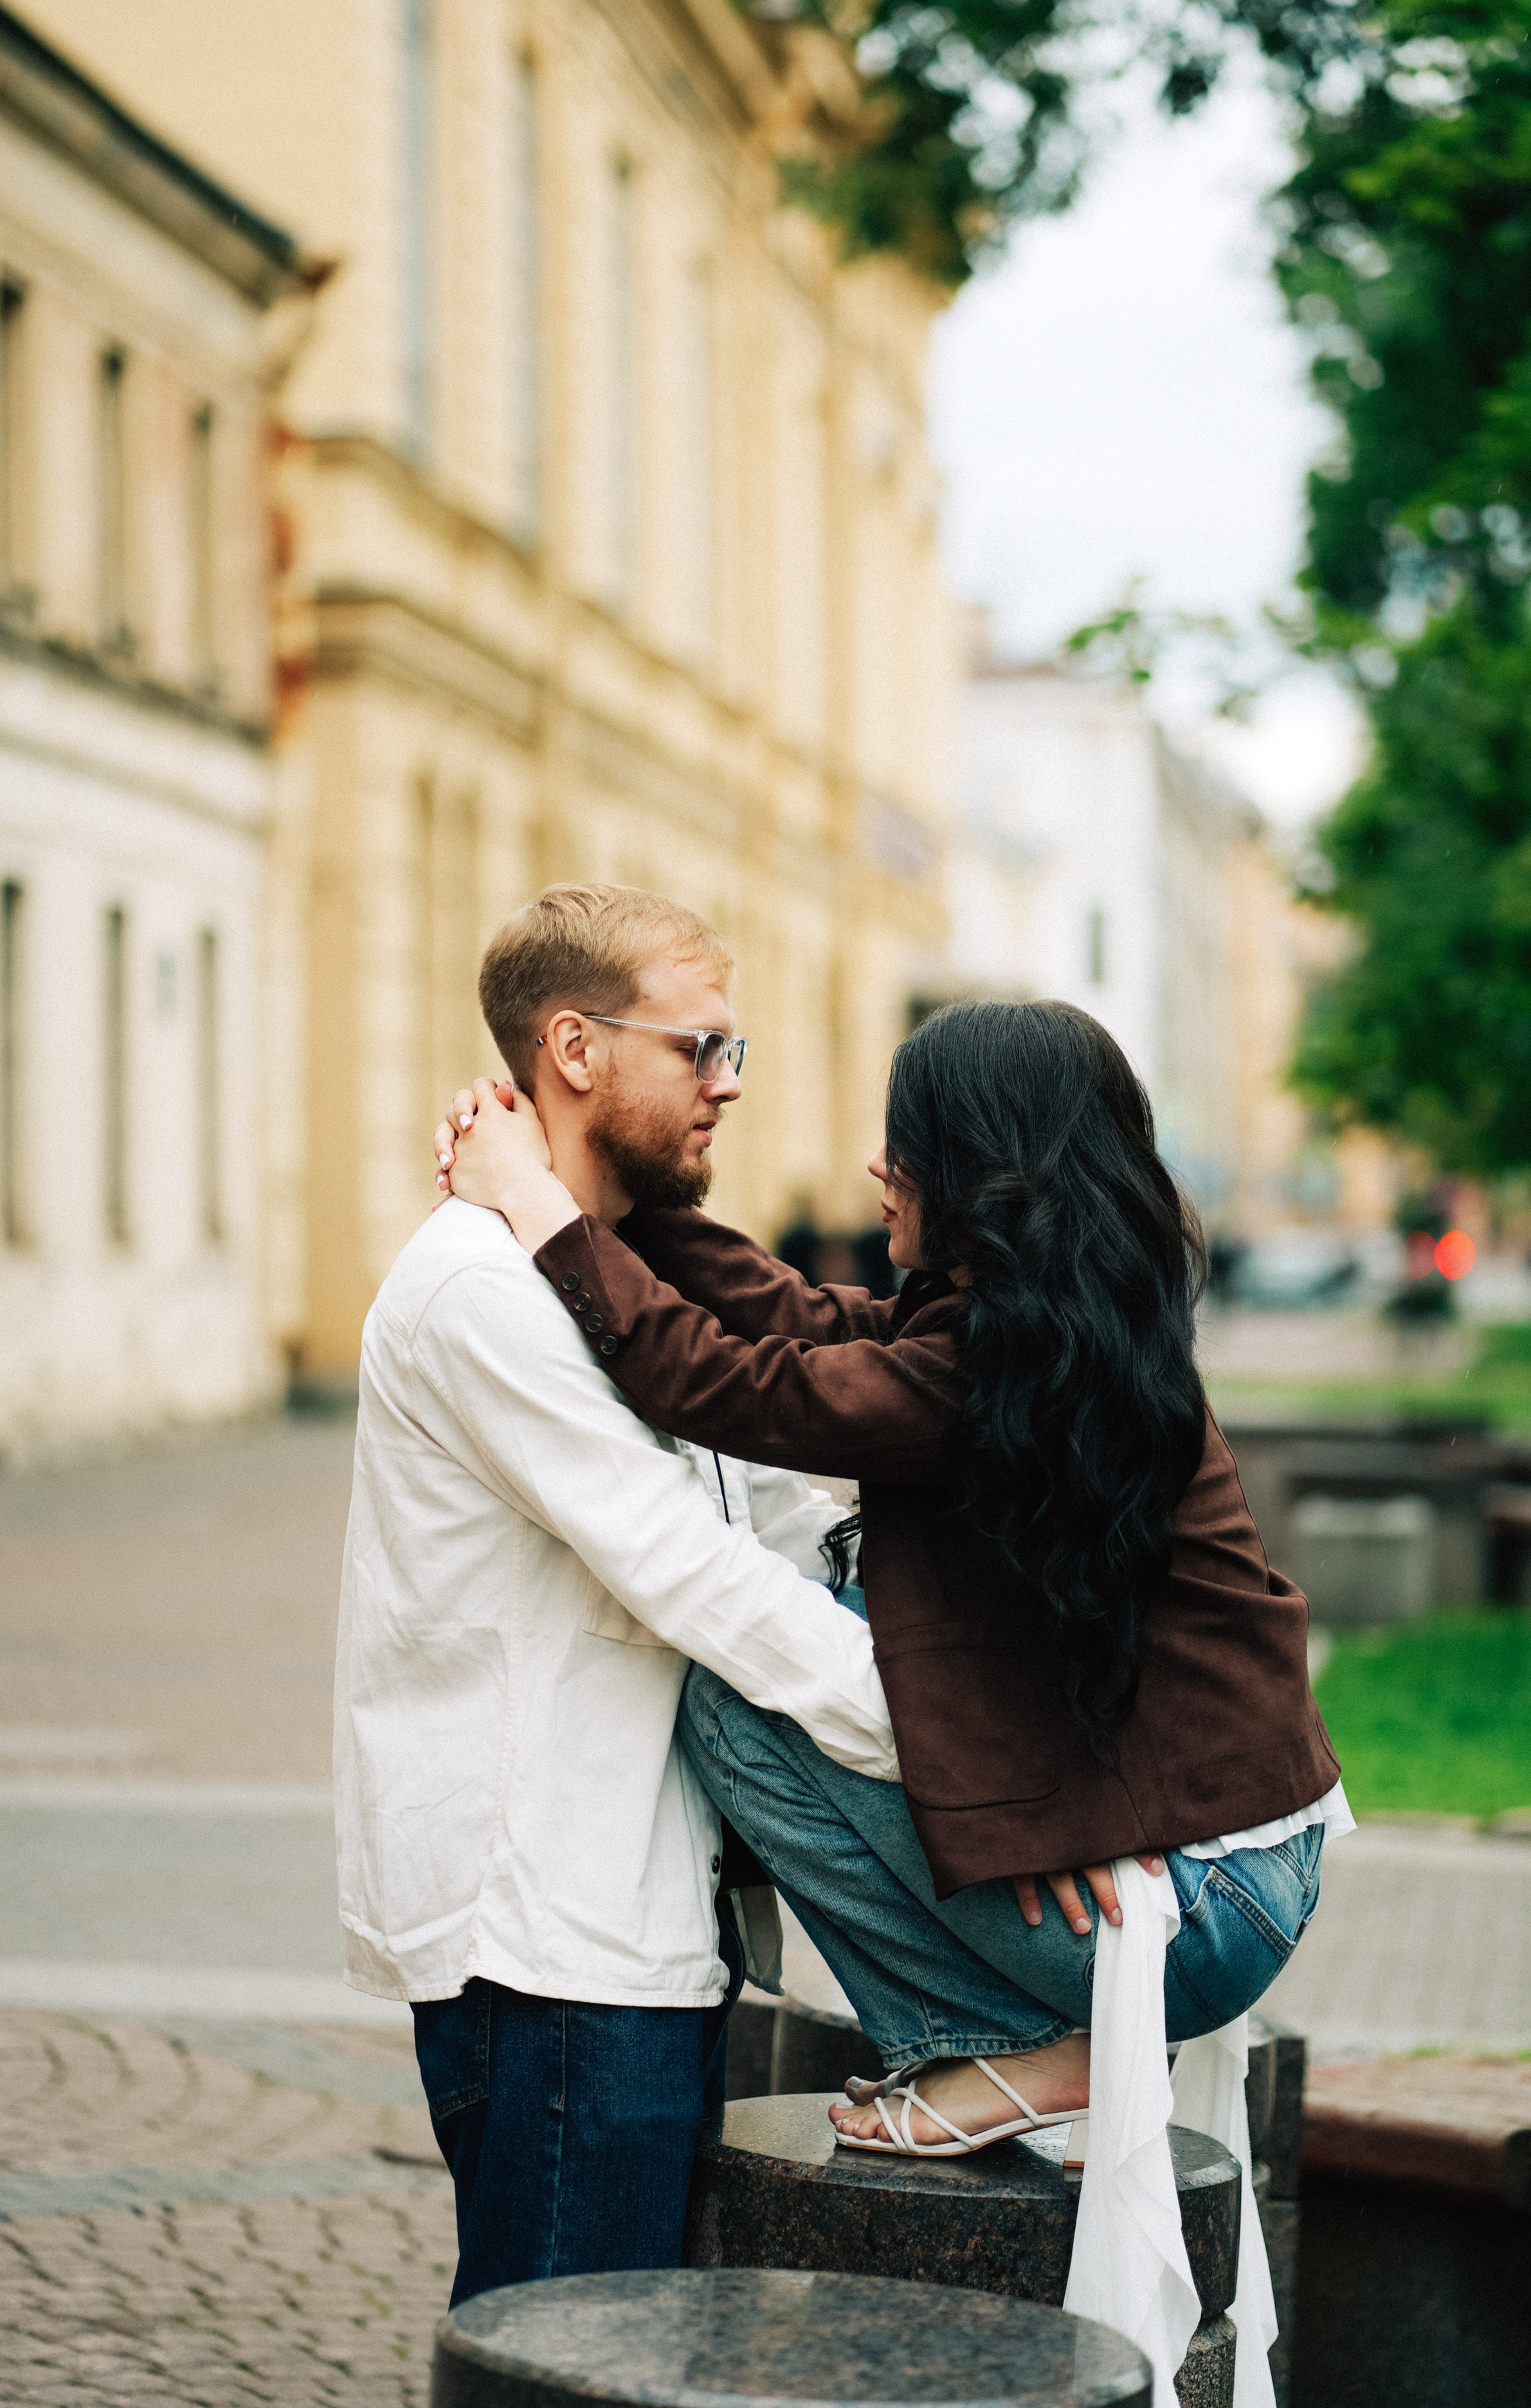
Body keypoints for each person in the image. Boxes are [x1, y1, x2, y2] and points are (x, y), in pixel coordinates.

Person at [437, 993, 1350, 2159]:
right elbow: (795, 1314)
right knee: (861, 1639)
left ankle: (997, 2047)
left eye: (906, 1141)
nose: (878, 1163)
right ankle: (1032, 2040)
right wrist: (604, 1181)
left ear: (980, 1168)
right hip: (1253, 1867)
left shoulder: (978, 1372)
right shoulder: (1049, 1330)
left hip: (1202, 1907)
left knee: (738, 1701)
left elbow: (722, 1382)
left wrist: (536, 1205)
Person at [335, 883, 897, 2307]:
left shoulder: (598, 1278)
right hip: (550, 1936)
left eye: (734, 1051)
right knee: (565, 2371)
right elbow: (678, 1562)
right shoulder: (479, 1293)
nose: (726, 1086)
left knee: (618, 2367)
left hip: (639, 1921)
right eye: (699, 1047)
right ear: (574, 1051)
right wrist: (919, 1728)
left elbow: (758, 1509)